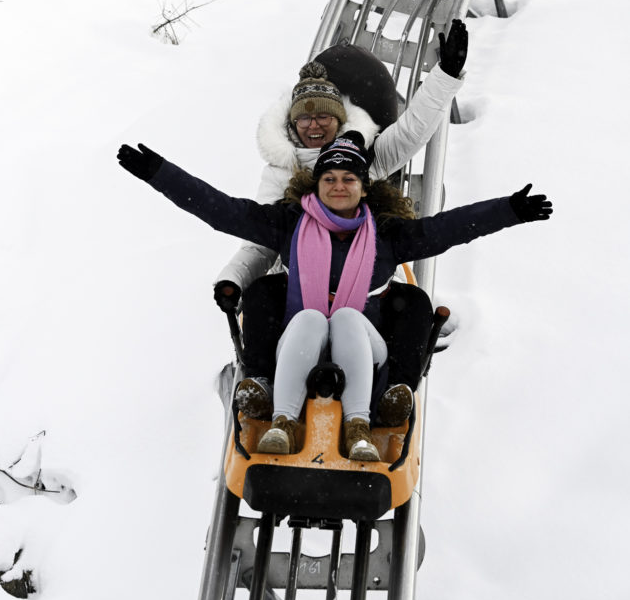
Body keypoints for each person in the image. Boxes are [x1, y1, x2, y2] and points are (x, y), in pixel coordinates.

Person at [117, 132, 552, 461]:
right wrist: (160, 174)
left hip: (363, 348)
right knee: (289, 303)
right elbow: (221, 210)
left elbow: (447, 229)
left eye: (348, 178)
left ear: (364, 187)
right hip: (298, 341)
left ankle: (369, 416)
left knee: (364, 312)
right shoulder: (287, 224)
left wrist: (509, 210)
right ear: (316, 185)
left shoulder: (386, 235)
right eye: (329, 178)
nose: (338, 186)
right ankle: (275, 407)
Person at [213, 20, 469, 420]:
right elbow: (260, 236)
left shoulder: (363, 157)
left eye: (324, 118)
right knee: (263, 295)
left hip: (362, 274)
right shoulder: (281, 170)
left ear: (340, 120)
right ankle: (262, 383)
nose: (314, 126)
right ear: (292, 124)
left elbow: (413, 131)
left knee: (411, 305)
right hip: (302, 281)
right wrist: (234, 278)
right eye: (305, 119)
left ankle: (394, 392)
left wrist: (446, 76)